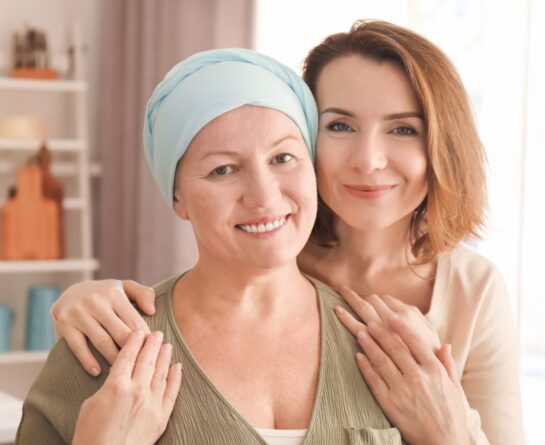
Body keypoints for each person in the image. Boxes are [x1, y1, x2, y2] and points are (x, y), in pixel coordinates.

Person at [51, 20, 524, 444]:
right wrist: (79, 298)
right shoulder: (264, 248)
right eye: (340, 125)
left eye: (402, 130)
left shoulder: (473, 290)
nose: (368, 160)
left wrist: (448, 432)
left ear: (442, 144)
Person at [16, 48, 411, 445]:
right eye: (223, 169)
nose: (263, 196)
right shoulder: (102, 350)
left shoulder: (390, 349)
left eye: (283, 157)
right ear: (178, 198)